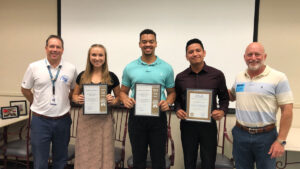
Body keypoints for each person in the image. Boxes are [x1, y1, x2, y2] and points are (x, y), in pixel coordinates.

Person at [228, 42, 294, 169]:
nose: (253, 58)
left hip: (266, 137)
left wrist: (280, 141)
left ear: (264, 56)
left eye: (257, 54)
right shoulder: (239, 77)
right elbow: (232, 95)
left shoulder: (278, 77)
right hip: (241, 135)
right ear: (244, 57)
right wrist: (214, 86)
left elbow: (287, 110)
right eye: (249, 55)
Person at [120, 29, 176, 169]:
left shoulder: (167, 67)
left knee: (158, 159)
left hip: (158, 118)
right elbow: (122, 92)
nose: (148, 44)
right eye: (144, 42)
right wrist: (125, 99)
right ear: (139, 44)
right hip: (136, 117)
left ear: (156, 43)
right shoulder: (130, 67)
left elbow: (172, 92)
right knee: (138, 158)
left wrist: (168, 102)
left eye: (151, 41)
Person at [21, 35, 77, 169]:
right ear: (46, 48)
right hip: (40, 121)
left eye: (58, 47)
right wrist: (36, 102)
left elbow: (74, 91)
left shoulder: (71, 68)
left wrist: (64, 101)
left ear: (62, 50)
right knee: (40, 161)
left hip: (63, 120)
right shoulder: (34, 67)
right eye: (51, 46)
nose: (54, 49)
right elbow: (25, 89)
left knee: (60, 160)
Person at [175, 38, 229, 169]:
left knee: (208, 162)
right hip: (188, 126)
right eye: (191, 52)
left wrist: (222, 111)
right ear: (186, 56)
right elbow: (177, 99)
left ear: (204, 52)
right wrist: (177, 109)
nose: (195, 54)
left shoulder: (217, 74)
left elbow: (224, 98)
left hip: (208, 126)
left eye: (198, 50)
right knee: (189, 161)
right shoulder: (180, 77)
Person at [72, 44, 120, 169]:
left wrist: (113, 100)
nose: (97, 58)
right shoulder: (82, 76)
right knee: (85, 150)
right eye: (94, 55)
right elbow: (74, 96)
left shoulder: (112, 77)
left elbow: (119, 99)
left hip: (104, 121)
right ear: (89, 57)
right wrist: (77, 98)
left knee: (105, 150)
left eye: (100, 55)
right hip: (86, 121)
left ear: (105, 57)